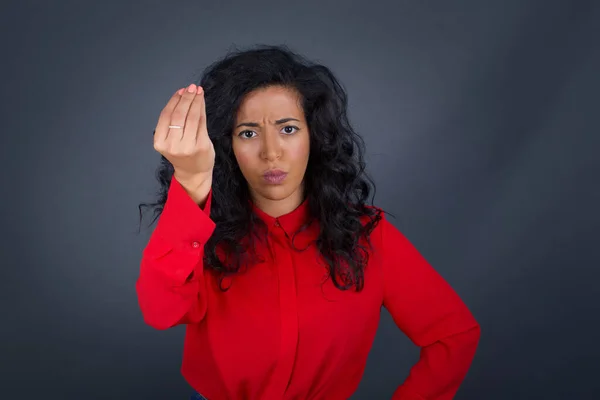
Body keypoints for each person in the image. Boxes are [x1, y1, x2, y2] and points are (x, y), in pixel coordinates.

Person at [136, 45, 480, 400]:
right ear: (225, 146)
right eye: (248, 133)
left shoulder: (369, 236)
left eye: (288, 128)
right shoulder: (200, 233)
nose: (272, 152)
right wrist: (191, 183)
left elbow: (453, 334)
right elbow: (160, 312)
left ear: (314, 136)